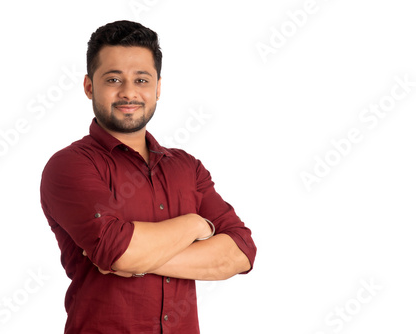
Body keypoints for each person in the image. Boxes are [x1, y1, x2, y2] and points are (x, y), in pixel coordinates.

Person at [40, 20, 257, 334]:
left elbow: (240, 251)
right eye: (113, 79)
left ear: (157, 87)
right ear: (89, 86)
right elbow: (118, 251)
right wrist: (196, 224)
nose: (129, 92)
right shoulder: (70, 166)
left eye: (141, 79)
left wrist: (133, 260)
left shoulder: (187, 167)